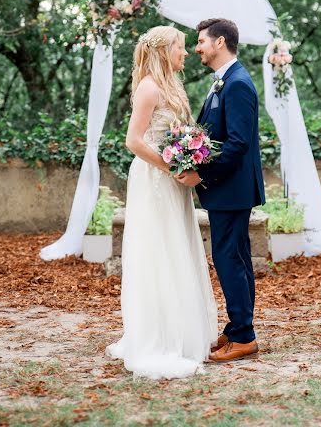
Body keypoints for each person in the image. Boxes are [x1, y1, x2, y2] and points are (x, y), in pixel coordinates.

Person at [106, 26, 218, 380]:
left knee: (177, 246)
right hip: (153, 180)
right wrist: (171, 165)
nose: (185, 53)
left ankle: (182, 331)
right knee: (157, 250)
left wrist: (189, 156)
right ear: (164, 50)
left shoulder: (173, 85)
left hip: (173, 183)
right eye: (180, 48)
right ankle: (157, 337)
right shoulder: (149, 87)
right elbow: (134, 141)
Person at [176, 18, 266, 362]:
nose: (197, 47)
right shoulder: (223, 82)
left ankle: (244, 336)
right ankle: (238, 328)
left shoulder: (238, 83)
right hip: (229, 190)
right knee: (234, 258)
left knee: (230, 259)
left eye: (201, 41)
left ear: (220, 42)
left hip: (232, 189)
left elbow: (239, 144)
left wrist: (203, 176)